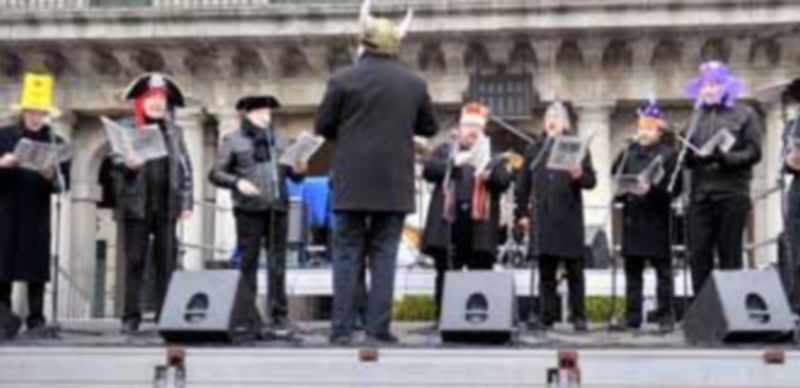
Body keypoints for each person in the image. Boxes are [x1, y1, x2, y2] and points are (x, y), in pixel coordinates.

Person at [315, 0, 438, 345]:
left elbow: (323, 125)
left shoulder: (342, 79)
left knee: (346, 253)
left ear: (364, 44)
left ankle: (341, 329)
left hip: (351, 183)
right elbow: (429, 126)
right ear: (394, 46)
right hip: (393, 184)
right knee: (384, 256)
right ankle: (377, 329)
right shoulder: (413, 84)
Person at [209, 95, 306, 330]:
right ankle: (247, 314)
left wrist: (300, 168)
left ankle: (278, 314)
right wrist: (237, 182)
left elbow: (294, 176)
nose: (266, 116)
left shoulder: (280, 141)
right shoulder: (232, 140)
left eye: (269, 112)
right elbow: (215, 173)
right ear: (248, 114)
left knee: (278, 262)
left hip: (277, 208)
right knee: (248, 262)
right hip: (248, 209)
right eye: (261, 112)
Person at [112, 73, 194, 334]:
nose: (157, 103)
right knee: (134, 261)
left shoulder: (174, 130)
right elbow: (114, 159)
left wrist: (187, 200)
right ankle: (131, 316)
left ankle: (165, 314)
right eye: (152, 98)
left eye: (161, 98)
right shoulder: (127, 126)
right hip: (137, 204)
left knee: (166, 261)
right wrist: (128, 164)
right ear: (141, 101)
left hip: (166, 204)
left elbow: (185, 167)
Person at [421, 102, 513, 316]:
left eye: (475, 128)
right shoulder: (446, 149)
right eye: (467, 126)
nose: (470, 132)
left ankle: (479, 317)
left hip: (480, 225)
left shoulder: (493, 153)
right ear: (460, 128)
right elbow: (429, 170)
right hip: (449, 224)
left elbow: (504, 180)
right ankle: (442, 317)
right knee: (446, 273)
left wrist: (488, 173)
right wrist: (453, 163)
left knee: (480, 274)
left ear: (482, 131)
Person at [514, 101, 596, 332]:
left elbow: (591, 182)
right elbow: (522, 185)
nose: (552, 121)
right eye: (549, 117)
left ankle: (578, 316)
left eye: (557, 117)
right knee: (546, 271)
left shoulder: (576, 146)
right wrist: (521, 213)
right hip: (543, 218)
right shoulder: (535, 149)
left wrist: (579, 175)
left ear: (564, 123)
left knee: (574, 271)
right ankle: (547, 316)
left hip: (569, 217)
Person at [683, 61, 763, 295]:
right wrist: (690, 156)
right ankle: (702, 312)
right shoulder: (696, 117)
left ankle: (732, 311)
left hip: (731, 193)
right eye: (705, 85)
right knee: (698, 254)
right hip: (700, 196)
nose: (709, 89)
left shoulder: (745, 113)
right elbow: (686, 156)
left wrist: (725, 158)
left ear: (727, 86)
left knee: (729, 254)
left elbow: (754, 151)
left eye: (715, 84)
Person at [0, 72, 70, 334]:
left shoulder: (55, 140)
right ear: (23, 111)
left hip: (36, 212)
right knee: (3, 265)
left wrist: (52, 175)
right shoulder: (4, 136)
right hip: (5, 209)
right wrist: (3, 163)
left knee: (36, 267)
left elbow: (65, 186)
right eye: (31, 111)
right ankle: (3, 318)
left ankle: (36, 318)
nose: (35, 117)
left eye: (40, 113)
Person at [611, 100, 677, 331]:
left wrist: (652, 190)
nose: (643, 132)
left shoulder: (669, 154)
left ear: (659, 130)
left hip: (658, 217)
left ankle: (666, 316)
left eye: (649, 128)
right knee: (633, 272)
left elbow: (674, 187)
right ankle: (632, 317)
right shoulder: (629, 152)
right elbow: (616, 176)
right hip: (634, 217)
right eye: (641, 127)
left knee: (663, 271)